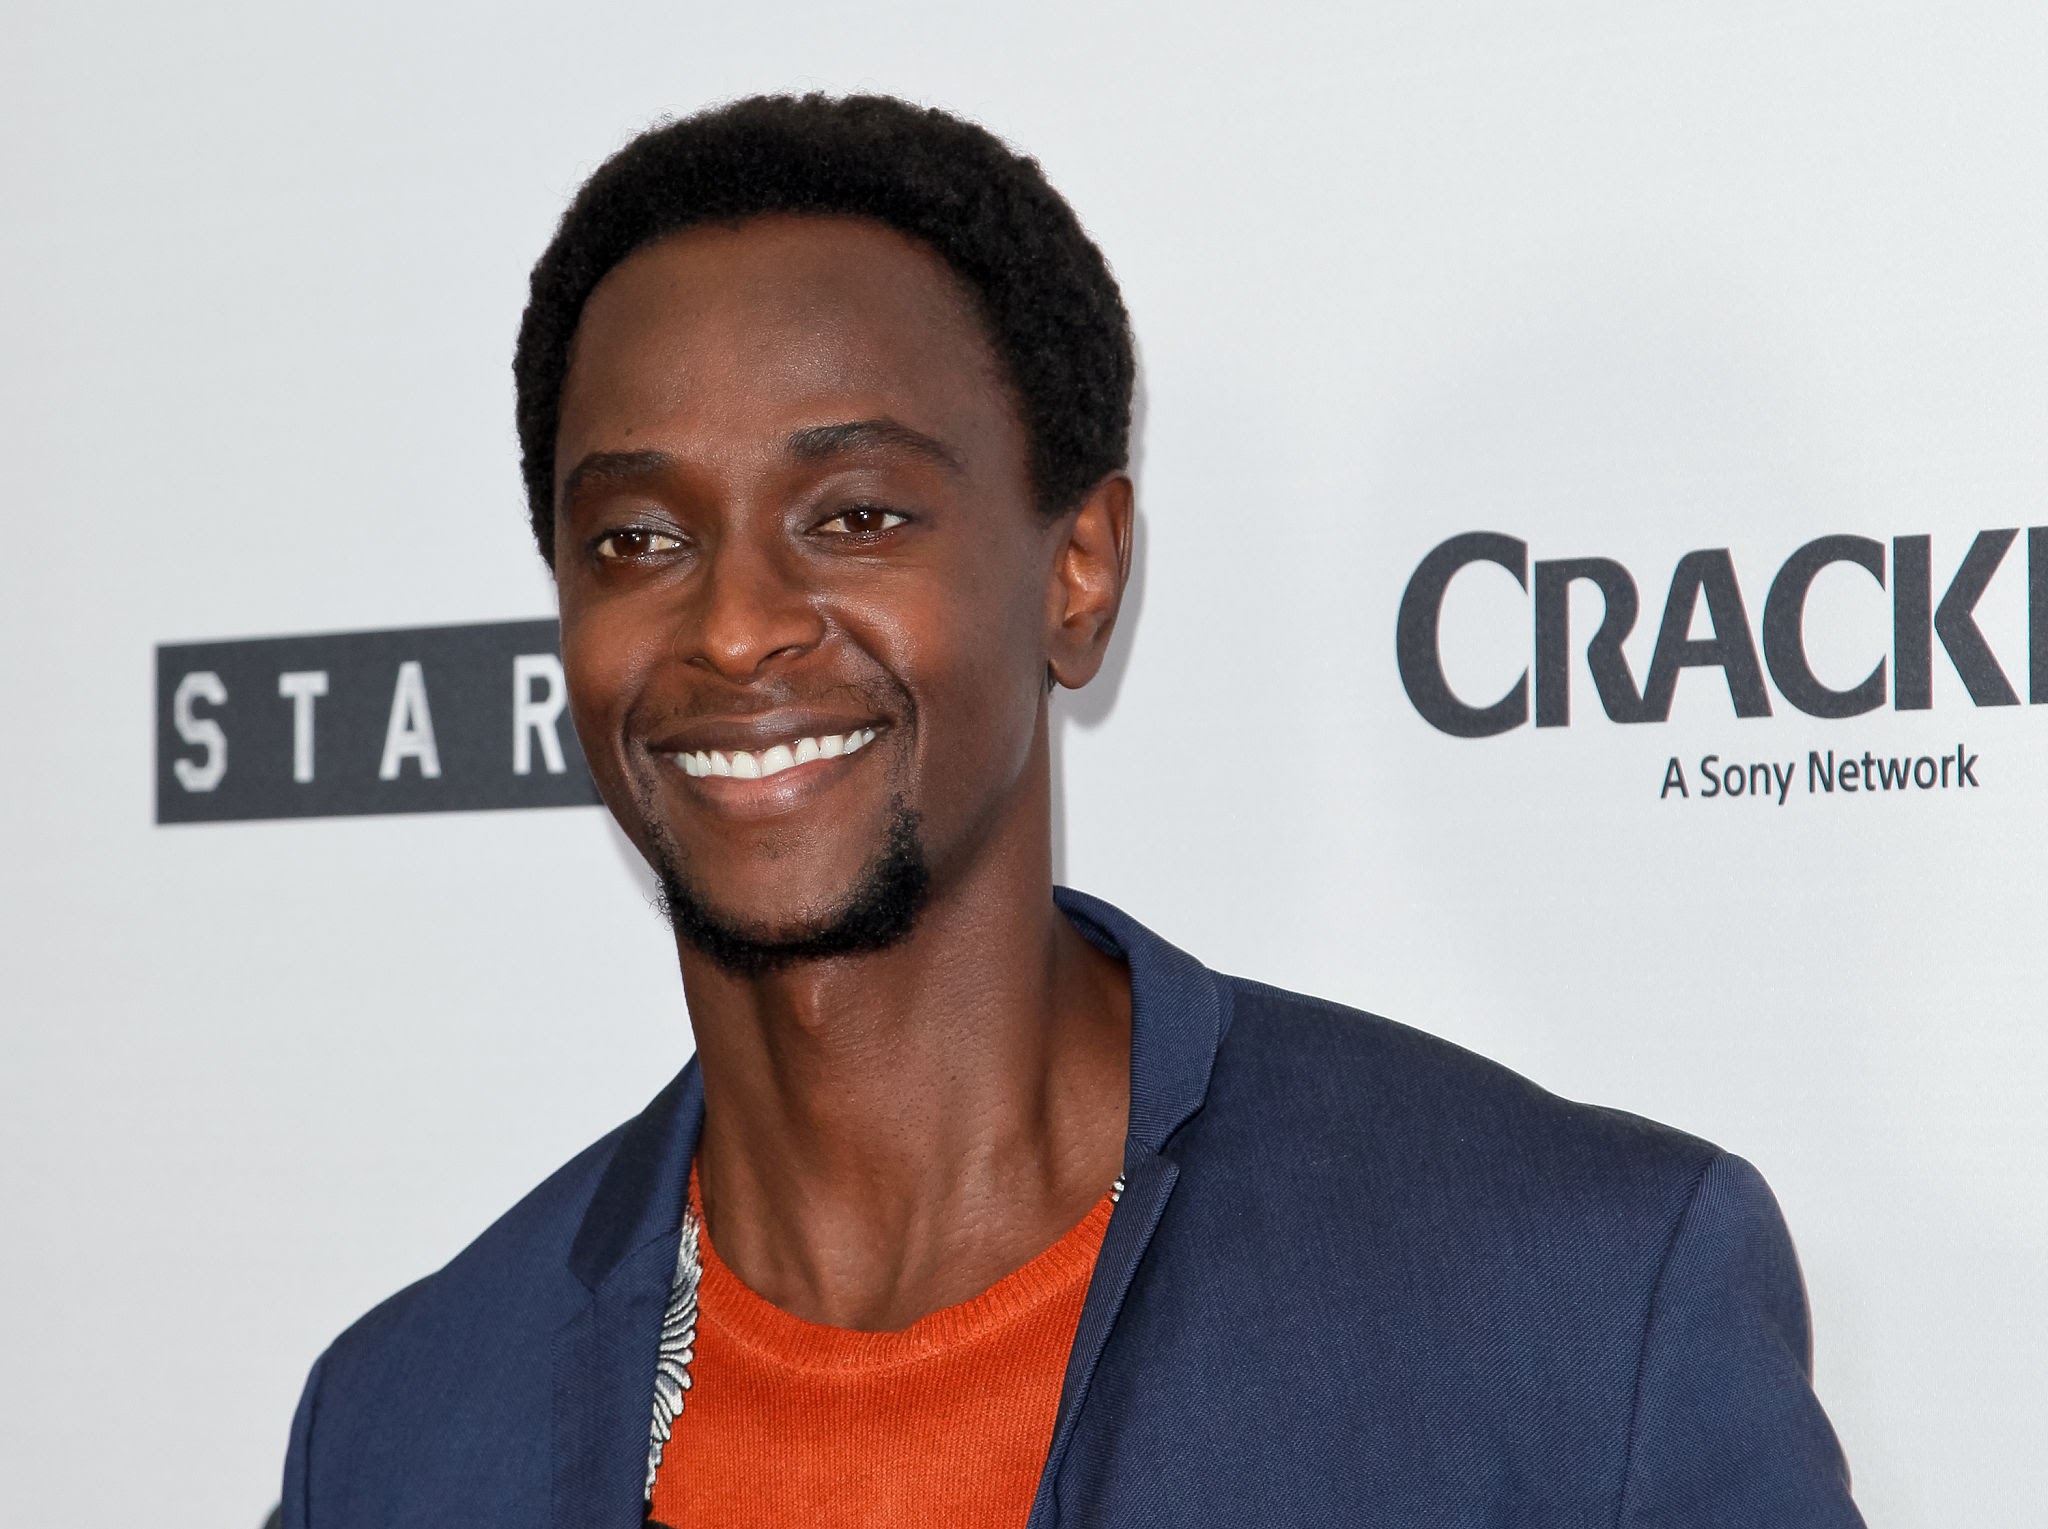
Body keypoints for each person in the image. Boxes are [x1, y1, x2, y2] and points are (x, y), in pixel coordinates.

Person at [281, 93, 1864, 1528]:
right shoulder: (402, 1428)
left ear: (1079, 573)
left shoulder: (1580, 1314)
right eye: (636, 538)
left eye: (857, 514)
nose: (736, 621)